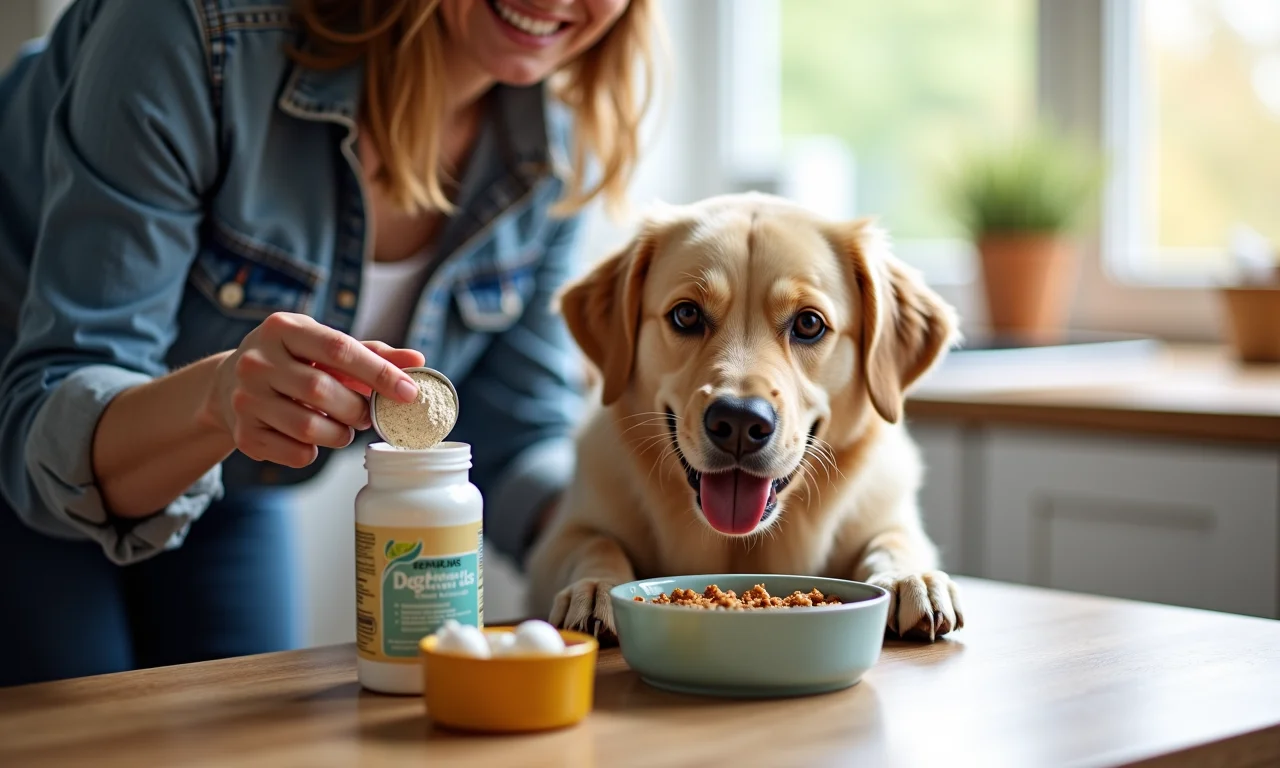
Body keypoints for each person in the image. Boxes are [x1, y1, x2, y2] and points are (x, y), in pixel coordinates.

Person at [0, 0, 659, 687]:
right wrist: (219, 401)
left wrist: (609, 541)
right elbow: (55, 399)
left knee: (254, 742)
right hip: (22, 441)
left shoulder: (554, 153)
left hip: (232, 480)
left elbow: (514, 435)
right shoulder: (190, 31)